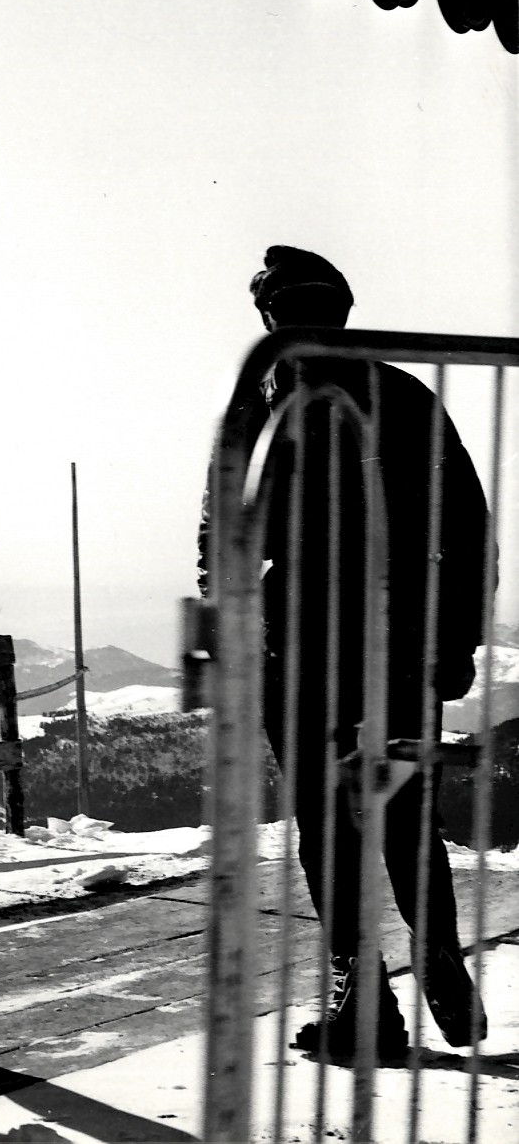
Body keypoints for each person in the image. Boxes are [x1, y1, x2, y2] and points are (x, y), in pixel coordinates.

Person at [200, 246, 489, 1063]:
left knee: (328, 826)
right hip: (400, 642)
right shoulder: (405, 395)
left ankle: (364, 1003)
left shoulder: (259, 404)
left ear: (271, 317)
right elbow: (467, 528)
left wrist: (227, 628)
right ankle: (435, 950)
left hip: (298, 644)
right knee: (404, 811)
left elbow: (221, 531)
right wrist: (455, 639)